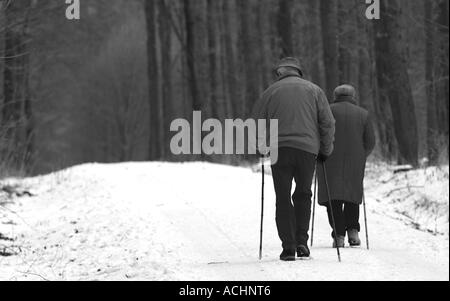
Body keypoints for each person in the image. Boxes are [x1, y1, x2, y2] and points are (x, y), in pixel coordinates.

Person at [251, 57, 335, 261]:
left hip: (280, 150)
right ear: (298, 72)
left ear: (279, 72)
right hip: (307, 150)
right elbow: (327, 122)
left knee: (283, 196)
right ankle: (301, 242)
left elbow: (256, 123)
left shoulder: (270, 92)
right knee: (304, 193)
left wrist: (261, 147)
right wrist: (325, 150)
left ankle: (288, 247)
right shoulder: (315, 91)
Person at [317, 84, 376, 248]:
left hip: (329, 159)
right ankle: (353, 232)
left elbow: (318, 134)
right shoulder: (363, 114)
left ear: (335, 95)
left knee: (333, 196)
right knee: (352, 194)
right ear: (353, 96)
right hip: (355, 160)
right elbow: (370, 141)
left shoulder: (326, 111)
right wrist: (362, 155)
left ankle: (339, 235)